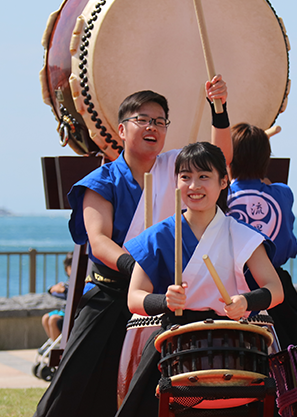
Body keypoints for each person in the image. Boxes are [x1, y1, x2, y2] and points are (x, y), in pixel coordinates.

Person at [33, 76, 231, 417]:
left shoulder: (176, 168)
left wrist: (219, 108)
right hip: (113, 295)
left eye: (159, 121)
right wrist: (138, 266)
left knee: (165, 390)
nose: (152, 127)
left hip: (163, 298)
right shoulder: (101, 181)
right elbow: (99, 241)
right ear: (122, 130)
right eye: (142, 119)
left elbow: (219, 159)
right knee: (74, 388)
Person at [116, 141, 283, 417]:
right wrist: (164, 301)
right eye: (186, 177)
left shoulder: (240, 234)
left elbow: (275, 290)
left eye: (204, 176)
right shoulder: (160, 235)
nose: (194, 186)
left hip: (234, 340)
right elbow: (134, 297)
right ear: (176, 182)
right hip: (174, 341)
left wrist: (246, 301)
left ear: (223, 181)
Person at [226, 122, 297, 347]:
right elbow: (290, 246)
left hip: (231, 293)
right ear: (267, 158)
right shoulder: (282, 193)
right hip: (276, 293)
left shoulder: (220, 197)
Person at [41, 253, 72, 342]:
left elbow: (62, 292)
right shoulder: (67, 283)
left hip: (69, 314)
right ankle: (53, 341)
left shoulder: (70, 285)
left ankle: (58, 345)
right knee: (46, 317)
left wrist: (59, 290)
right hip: (63, 312)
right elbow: (52, 291)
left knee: (53, 319)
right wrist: (54, 289)